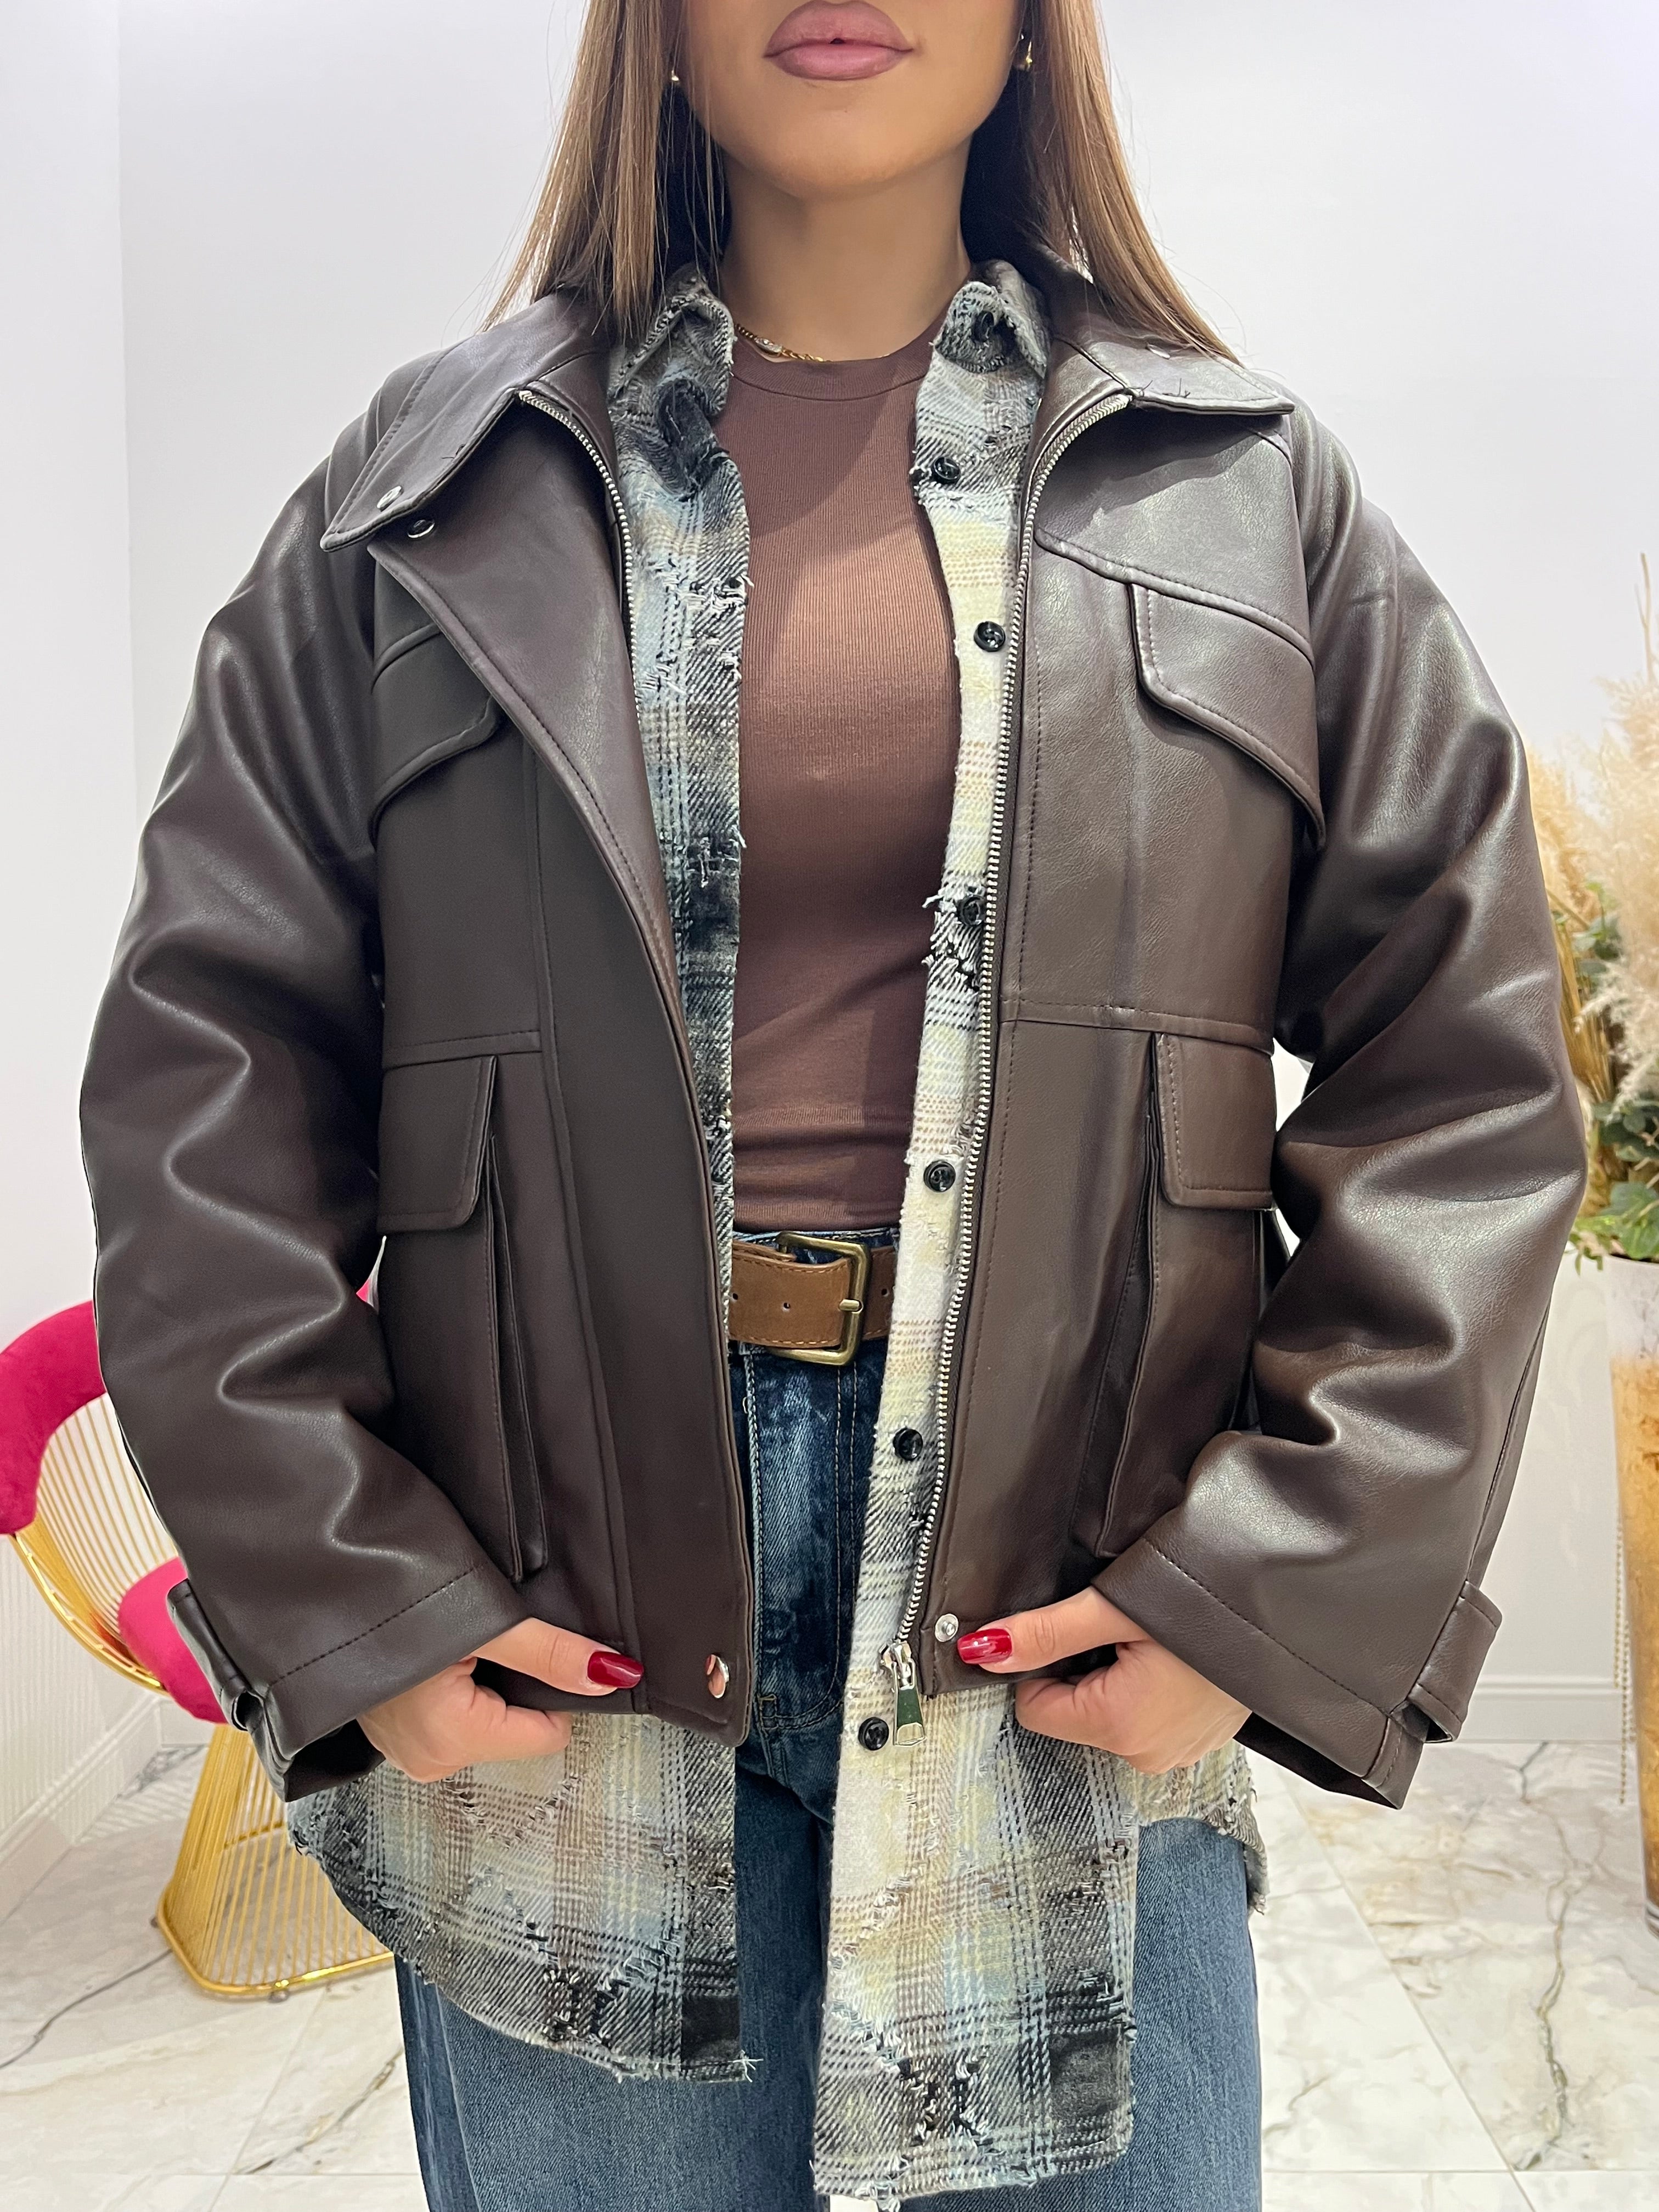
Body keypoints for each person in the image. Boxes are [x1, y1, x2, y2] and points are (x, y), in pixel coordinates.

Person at [80, 2, 1586, 2207]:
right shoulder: (426, 493)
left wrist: (1266, 1586)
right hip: (561, 1624)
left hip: (1057, 1596)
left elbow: (1469, 1065)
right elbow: (205, 1058)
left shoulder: (1245, 492)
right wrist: (356, 1592)